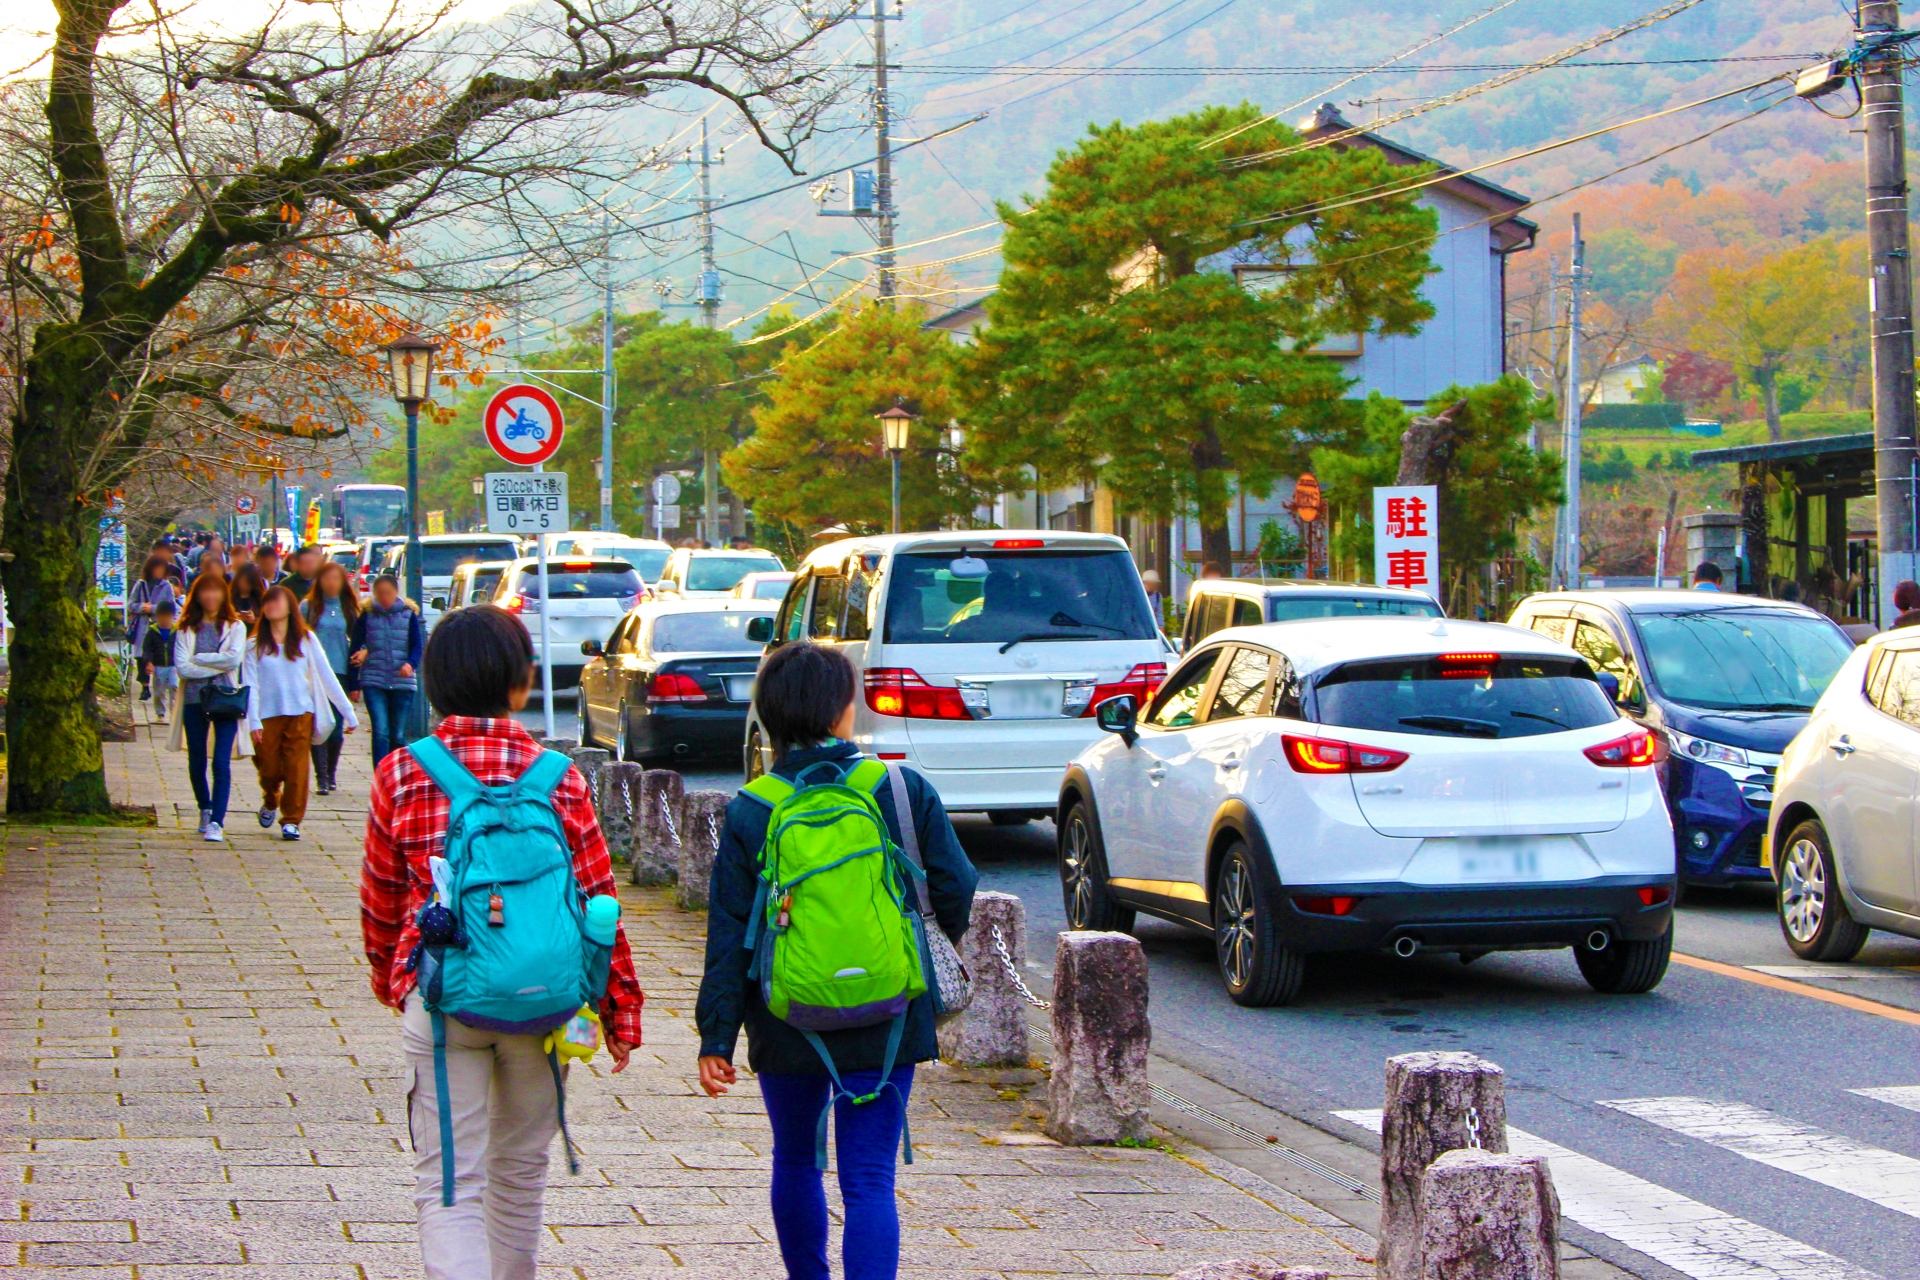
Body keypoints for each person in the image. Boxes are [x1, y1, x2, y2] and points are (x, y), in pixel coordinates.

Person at [360, 605, 644, 1280]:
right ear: (520, 685)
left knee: (451, 1184)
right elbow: (599, 900)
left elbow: (382, 899)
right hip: (547, 1000)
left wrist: (391, 980)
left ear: (434, 685)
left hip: (445, 998)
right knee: (520, 1178)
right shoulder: (560, 776)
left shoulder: (401, 772)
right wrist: (619, 1011)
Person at [695, 642, 978, 1280]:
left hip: (785, 1010)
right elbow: (955, 885)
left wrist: (717, 1035)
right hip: (888, 1006)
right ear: (842, 709)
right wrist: (914, 953)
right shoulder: (899, 789)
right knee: (870, 1175)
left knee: (796, 1159)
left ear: (769, 715)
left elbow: (729, 932)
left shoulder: (754, 808)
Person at [244, 585, 356, 841]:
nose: (272, 606)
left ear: (290, 606)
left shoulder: (306, 639)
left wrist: (348, 712)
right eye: (268, 602)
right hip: (266, 716)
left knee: (297, 768)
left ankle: (292, 820)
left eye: (277, 601)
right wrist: (252, 720)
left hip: (301, 712)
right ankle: (271, 798)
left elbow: (327, 675)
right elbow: (250, 684)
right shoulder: (254, 645)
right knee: (269, 768)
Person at [169, 571, 252, 843]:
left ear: (223, 594)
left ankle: (218, 820)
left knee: (221, 762)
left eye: (216, 590)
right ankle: (204, 807)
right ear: (197, 595)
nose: (210, 596)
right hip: (194, 699)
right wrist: (211, 663)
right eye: (205, 591)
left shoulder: (235, 626)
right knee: (196, 759)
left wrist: (201, 659)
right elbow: (182, 667)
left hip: (225, 698)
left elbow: (232, 661)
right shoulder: (185, 628)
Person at [352, 574, 426, 765]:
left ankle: (397, 773)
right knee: (381, 731)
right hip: (374, 680)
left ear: (396, 593)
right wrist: (360, 658)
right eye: (380, 594)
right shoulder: (367, 614)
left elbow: (417, 646)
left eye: (388, 593)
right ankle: (380, 776)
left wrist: (410, 664)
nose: (384, 597)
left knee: (398, 735)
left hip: (402, 681)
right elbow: (356, 644)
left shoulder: (408, 614)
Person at [303, 562, 361, 795]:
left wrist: (362, 654)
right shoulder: (309, 606)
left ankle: (331, 771)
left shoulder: (349, 608)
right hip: (314, 673)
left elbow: (359, 639)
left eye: (336, 578)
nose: (331, 583)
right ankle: (321, 777)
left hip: (340, 672)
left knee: (336, 728)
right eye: (327, 578)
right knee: (319, 725)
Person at [128, 553, 178, 702]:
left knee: (156, 656)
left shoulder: (166, 586)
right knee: (141, 656)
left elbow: (171, 606)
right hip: (142, 626)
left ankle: (159, 688)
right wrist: (140, 607)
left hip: (160, 625)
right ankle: (144, 687)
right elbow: (130, 604)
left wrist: (154, 608)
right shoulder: (140, 584)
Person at [142, 599, 179, 721]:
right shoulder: (152, 631)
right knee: (159, 691)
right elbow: (147, 648)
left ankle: (175, 713)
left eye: (167, 617)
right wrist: (149, 662)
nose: (164, 620)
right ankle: (160, 713)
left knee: (175, 687)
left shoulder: (177, 631)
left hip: (174, 665)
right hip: (158, 666)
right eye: (161, 617)